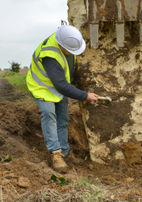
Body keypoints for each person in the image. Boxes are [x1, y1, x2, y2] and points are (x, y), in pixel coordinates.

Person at [26, 24, 99, 173]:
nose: (72, 53)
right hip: (42, 88)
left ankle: (65, 152)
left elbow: (67, 73)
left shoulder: (69, 42)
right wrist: (84, 95)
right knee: (49, 115)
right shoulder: (49, 55)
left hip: (59, 87)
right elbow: (60, 85)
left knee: (63, 119)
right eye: (70, 51)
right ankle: (56, 154)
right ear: (60, 44)